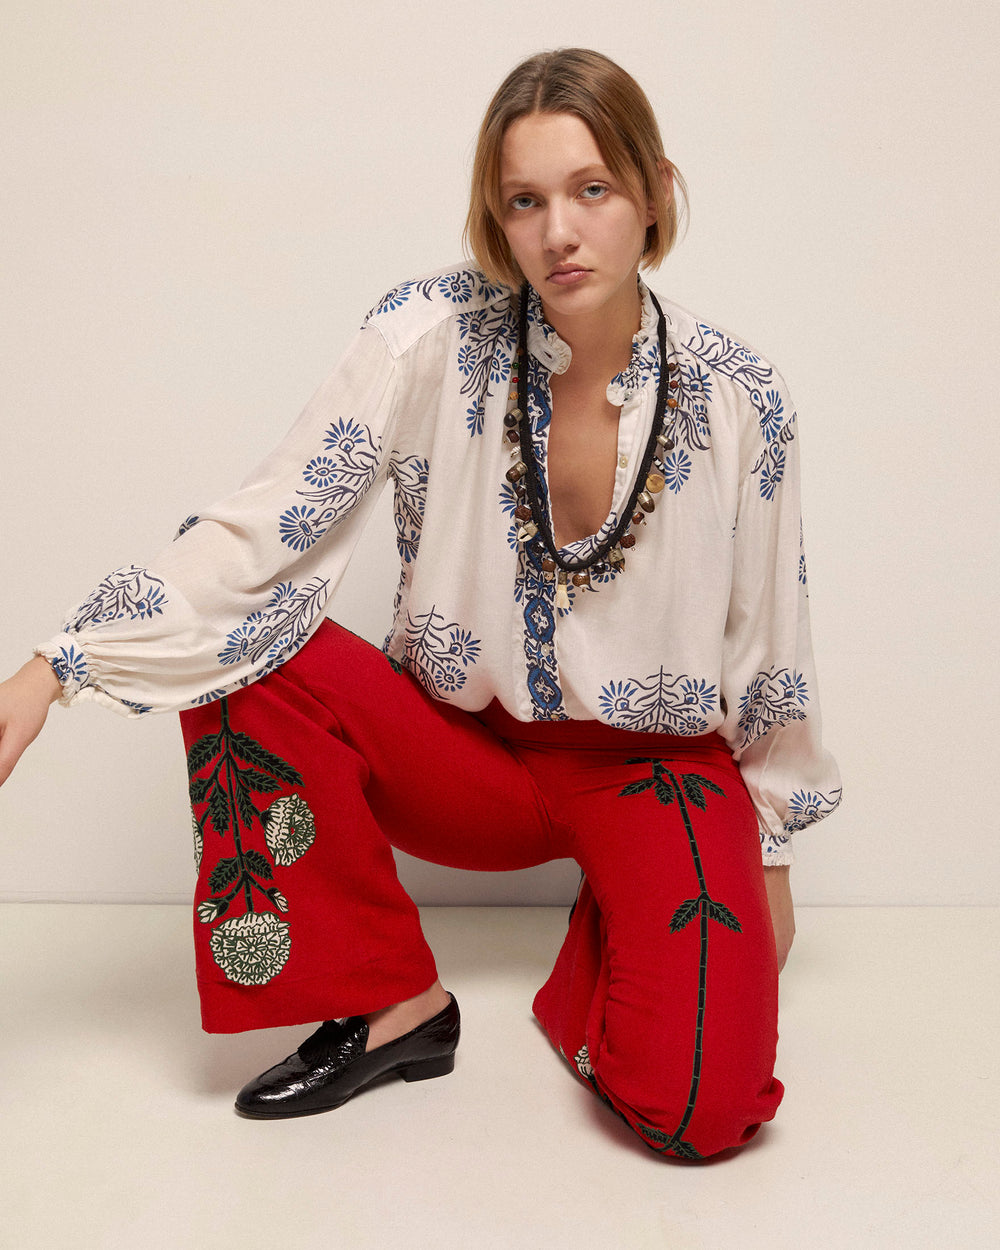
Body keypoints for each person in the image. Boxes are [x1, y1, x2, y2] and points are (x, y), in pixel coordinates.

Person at [0, 48, 841, 1159]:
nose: (559, 232)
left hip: (651, 769)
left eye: (592, 190)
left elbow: (768, 641)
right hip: (462, 750)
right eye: (524, 201)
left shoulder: (743, 398)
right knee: (245, 648)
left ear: (653, 194)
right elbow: (265, 529)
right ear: (497, 217)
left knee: (700, 1110)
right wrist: (55, 666)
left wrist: (764, 853)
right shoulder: (423, 337)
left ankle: (621, 928)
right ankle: (391, 998)